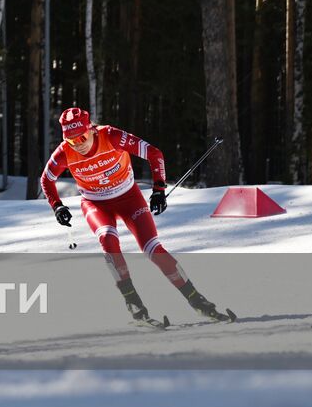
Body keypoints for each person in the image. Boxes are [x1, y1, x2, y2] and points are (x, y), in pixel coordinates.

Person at [42, 107, 234, 323]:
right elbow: (46, 180)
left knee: (153, 248)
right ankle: (134, 304)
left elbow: (154, 154)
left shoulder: (112, 136)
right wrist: (57, 206)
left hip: (129, 199)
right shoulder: (63, 154)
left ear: (91, 129)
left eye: (82, 137)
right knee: (107, 238)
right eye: (71, 141)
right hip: (96, 204)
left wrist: (159, 190)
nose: (79, 144)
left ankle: (197, 301)